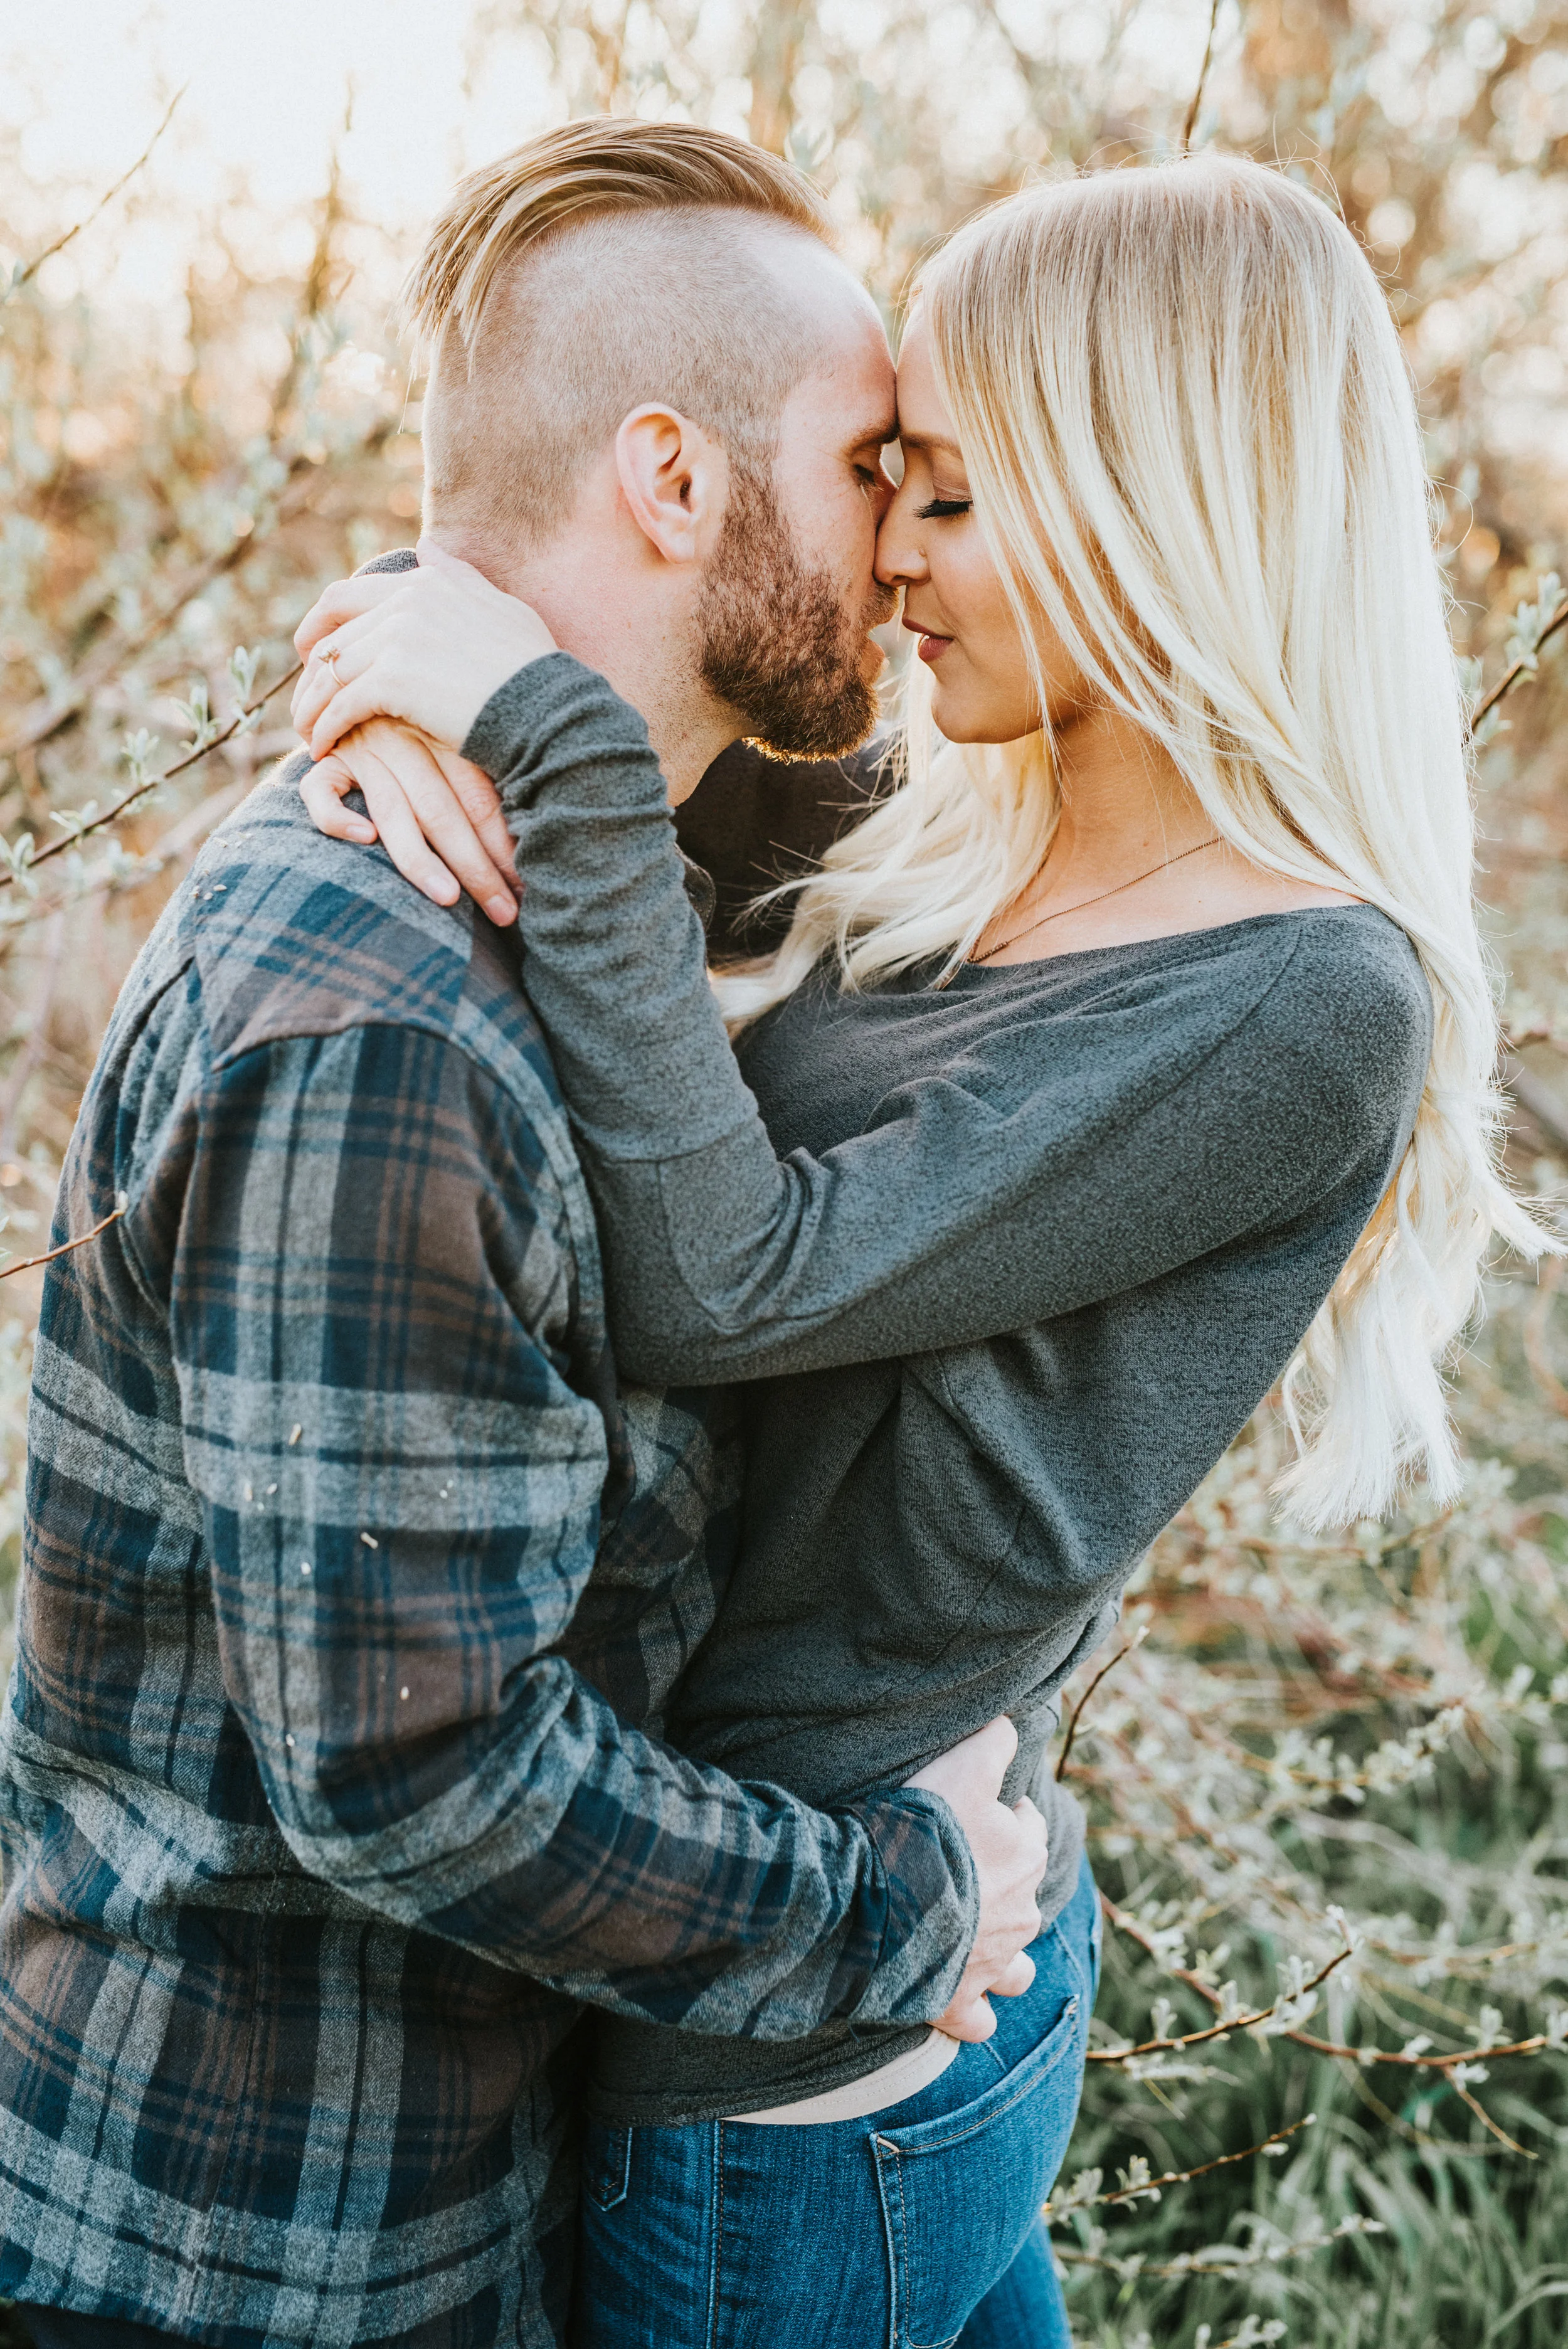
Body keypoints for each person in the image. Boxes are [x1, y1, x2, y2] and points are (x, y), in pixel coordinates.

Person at [294, 152, 1549, 2346]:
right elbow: (622, 630)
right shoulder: (960, 814)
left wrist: (526, 724)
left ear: (1153, 513)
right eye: (888, 480)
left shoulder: (1297, 999)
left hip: (806, 2049)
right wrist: (407, 654)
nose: (885, 554)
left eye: (947, 494)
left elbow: (728, 1280)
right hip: (826, 1937)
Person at [0, 125, 1052, 2349]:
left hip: (438, 2173)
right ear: (671, 479)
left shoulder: (593, 860)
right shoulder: (386, 1022)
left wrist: (428, 627)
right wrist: (895, 1908)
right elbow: (417, 1773)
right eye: (866, 464)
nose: (900, 541)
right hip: (261, 2239)